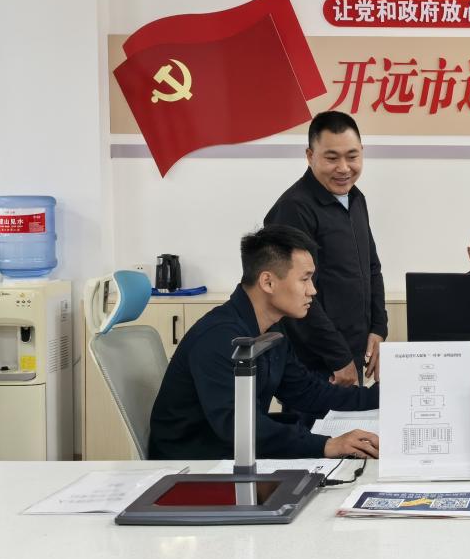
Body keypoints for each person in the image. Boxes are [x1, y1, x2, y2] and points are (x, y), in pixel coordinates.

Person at [149, 225, 380, 461]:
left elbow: (306, 391)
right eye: (305, 279)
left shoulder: (271, 329)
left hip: (235, 451)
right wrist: (326, 445)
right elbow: (236, 427)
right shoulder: (219, 337)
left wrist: (380, 396)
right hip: (192, 463)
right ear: (268, 282)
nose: (312, 290)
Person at [265, 111, 387, 386]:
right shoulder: (294, 208)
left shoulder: (355, 198)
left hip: (353, 351)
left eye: (352, 156)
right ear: (310, 156)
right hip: (315, 361)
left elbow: (372, 268)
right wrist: (338, 358)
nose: (344, 168)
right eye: (332, 158)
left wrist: (379, 329)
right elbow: (293, 293)